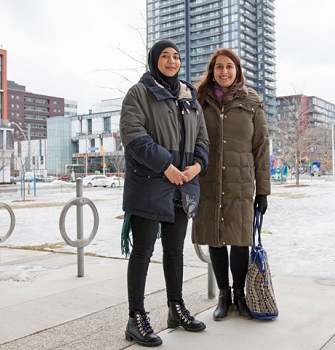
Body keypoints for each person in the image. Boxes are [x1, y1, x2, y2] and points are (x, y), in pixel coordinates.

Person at [120, 39, 209, 347]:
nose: (172, 61)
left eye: (176, 57)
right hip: (149, 183)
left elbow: (202, 138)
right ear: (154, 60)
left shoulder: (189, 97)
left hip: (183, 185)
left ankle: (176, 308)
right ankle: (137, 317)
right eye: (165, 56)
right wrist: (167, 166)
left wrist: (197, 166)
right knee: (143, 251)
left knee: (174, 251)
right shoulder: (139, 94)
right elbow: (134, 136)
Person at [192, 48, 270, 321]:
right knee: (215, 238)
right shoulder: (199, 102)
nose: (224, 72)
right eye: (219, 67)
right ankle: (224, 296)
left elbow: (261, 146)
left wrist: (263, 189)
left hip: (240, 183)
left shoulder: (251, 101)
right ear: (212, 71)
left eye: (229, 66)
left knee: (239, 241)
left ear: (237, 70)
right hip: (209, 182)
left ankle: (240, 295)